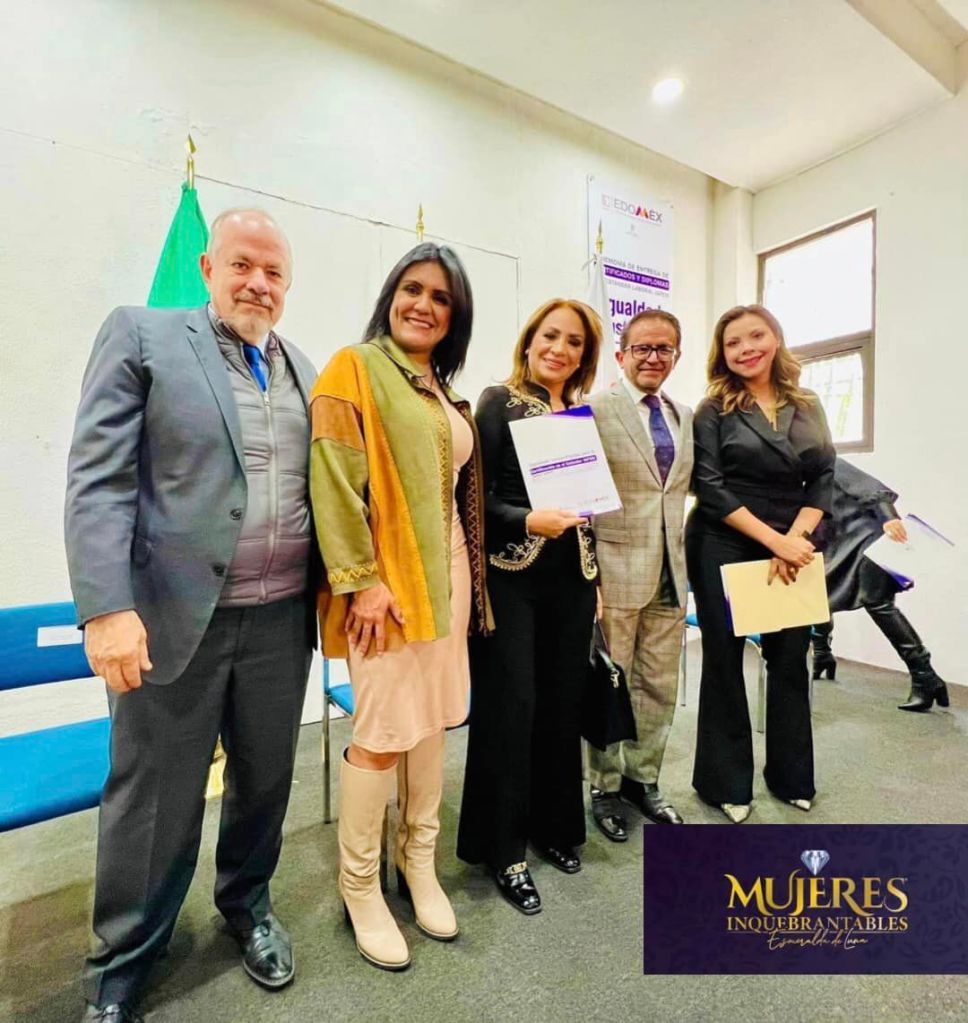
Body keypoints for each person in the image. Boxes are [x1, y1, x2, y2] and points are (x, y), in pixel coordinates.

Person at [65, 209, 318, 1022]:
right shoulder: (142, 335)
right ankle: (124, 958)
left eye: (274, 272)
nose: (258, 283)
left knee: (265, 780)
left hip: (282, 620)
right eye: (243, 264)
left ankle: (248, 904)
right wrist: (107, 607)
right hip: (174, 619)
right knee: (153, 797)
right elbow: (98, 480)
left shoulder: (304, 368)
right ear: (208, 267)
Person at [309, 242, 490, 972]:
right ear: (390, 295)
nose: (423, 304)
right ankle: (359, 885)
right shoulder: (354, 367)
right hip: (384, 589)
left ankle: (418, 862)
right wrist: (360, 580)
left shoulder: (441, 388)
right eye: (412, 289)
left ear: (455, 316)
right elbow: (332, 476)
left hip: (451, 576)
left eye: (441, 297)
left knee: (431, 723)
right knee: (383, 730)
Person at [457, 298, 601, 914]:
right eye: (551, 336)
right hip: (512, 577)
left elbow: (589, 506)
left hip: (574, 580)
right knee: (510, 709)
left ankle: (554, 826)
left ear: (585, 355)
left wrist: (596, 580)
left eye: (574, 342)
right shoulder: (499, 401)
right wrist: (526, 519)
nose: (559, 349)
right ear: (530, 339)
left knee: (562, 706)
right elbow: (472, 498)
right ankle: (503, 849)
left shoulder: (582, 414)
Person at [686, 304, 834, 824]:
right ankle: (724, 784)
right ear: (722, 353)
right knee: (724, 662)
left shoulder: (808, 403)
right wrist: (776, 541)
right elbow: (710, 487)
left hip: (794, 540)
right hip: (724, 540)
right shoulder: (712, 408)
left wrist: (795, 539)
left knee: (790, 659)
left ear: (776, 338)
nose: (746, 348)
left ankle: (791, 777)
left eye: (756, 336)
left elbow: (823, 477)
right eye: (733, 342)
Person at [586, 310, 694, 840]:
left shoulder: (684, 415)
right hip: (616, 572)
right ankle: (603, 786)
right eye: (643, 348)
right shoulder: (594, 410)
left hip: (672, 573)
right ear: (621, 355)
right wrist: (589, 577)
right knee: (613, 683)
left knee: (658, 684)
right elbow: (578, 500)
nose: (654, 358)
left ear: (677, 356)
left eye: (664, 349)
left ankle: (642, 779)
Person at [810, 457, 949, 712]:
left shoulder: (824, 459)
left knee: (878, 603)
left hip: (867, 540)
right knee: (817, 595)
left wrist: (889, 517)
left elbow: (869, 487)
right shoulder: (788, 473)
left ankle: (925, 676)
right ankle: (822, 654)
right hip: (835, 546)